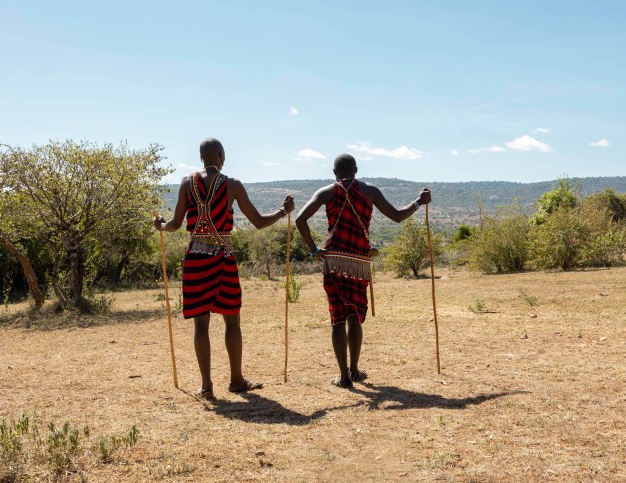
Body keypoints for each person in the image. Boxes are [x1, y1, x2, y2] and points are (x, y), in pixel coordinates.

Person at [154, 138, 294, 399]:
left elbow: (173, 225)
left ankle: (206, 386)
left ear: (201, 158)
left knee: (201, 324)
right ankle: (236, 380)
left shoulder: (186, 184)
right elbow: (259, 222)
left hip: (195, 259)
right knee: (232, 320)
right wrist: (282, 212)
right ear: (221, 156)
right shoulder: (233, 186)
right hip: (223, 258)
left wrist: (159, 226)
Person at [295, 153, 431, 388]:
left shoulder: (327, 192)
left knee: (337, 318)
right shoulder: (370, 191)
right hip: (358, 263)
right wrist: (419, 201)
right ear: (356, 170)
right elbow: (397, 217)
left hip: (334, 261)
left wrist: (314, 250)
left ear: (334, 173)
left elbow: (300, 220)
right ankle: (355, 370)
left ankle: (344, 376)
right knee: (353, 315)